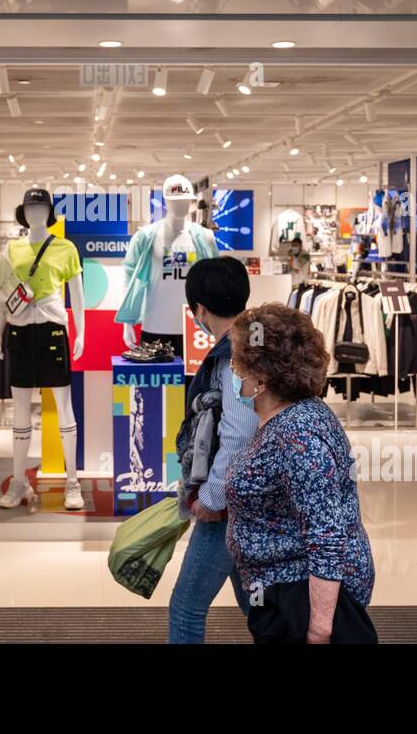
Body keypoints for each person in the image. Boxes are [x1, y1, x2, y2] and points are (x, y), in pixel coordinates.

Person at [225, 302, 377, 644]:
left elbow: (326, 534)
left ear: (261, 377)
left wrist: (319, 629)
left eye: (238, 364)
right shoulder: (288, 417)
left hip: (300, 601)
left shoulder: (298, 434)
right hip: (282, 593)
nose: (234, 372)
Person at [168, 256, 258, 643]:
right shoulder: (258, 340)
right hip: (256, 495)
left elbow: (238, 434)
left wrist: (211, 495)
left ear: (200, 309)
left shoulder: (232, 357)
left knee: (186, 607)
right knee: (256, 605)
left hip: (230, 505)